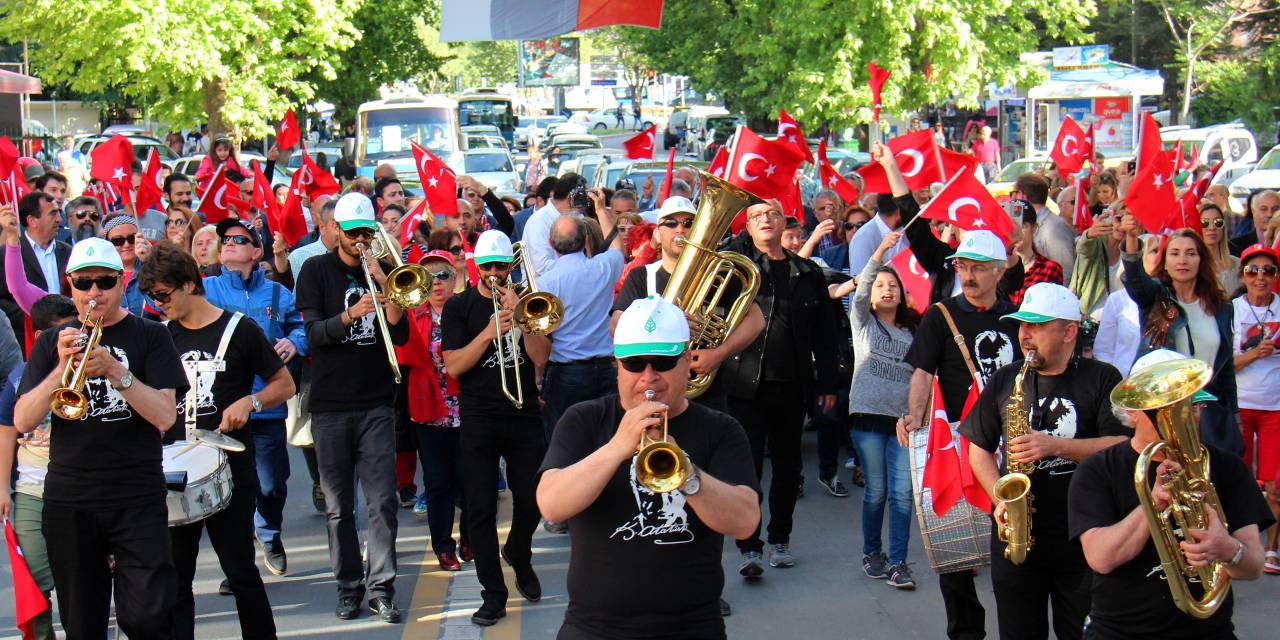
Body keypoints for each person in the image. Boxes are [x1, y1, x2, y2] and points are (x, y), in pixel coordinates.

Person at [536, 295, 760, 640]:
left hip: (692, 626)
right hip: (594, 627)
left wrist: (687, 474)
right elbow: (551, 504)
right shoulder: (584, 419)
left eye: (663, 362)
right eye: (635, 364)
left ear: (687, 360)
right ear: (617, 365)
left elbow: (745, 522)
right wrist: (617, 447)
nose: (649, 377)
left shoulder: (720, 429)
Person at [14, 236, 187, 638]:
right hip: (70, 497)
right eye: (83, 283)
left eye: (105, 282)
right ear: (69, 284)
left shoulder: (151, 335)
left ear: (122, 281)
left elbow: (164, 416)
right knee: (82, 622)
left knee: (147, 616)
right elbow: (22, 418)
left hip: (135, 494)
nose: (94, 292)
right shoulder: (51, 343)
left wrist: (115, 371)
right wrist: (60, 370)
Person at [137, 242, 294, 640]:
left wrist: (251, 401)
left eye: (162, 294)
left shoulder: (240, 329)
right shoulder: (161, 337)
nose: (157, 304)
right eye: (150, 296)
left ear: (189, 284)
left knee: (240, 570)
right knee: (177, 577)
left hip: (229, 467)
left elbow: (285, 383)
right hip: (174, 470)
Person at [959, 282, 1127, 639]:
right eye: (1023, 325)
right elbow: (977, 447)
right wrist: (999, 497)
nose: (1025, 335)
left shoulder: (1103, 378)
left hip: (1084, 534)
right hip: (1019, 536)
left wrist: (1056, 447)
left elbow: (1121, 445)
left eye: (1036, 326)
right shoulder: (1008, 378)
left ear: (1068, 332)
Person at [1068, 350, 1272, 639]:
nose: (1185, 414)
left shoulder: (1227, 468)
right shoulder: (1099, 469)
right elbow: (1101, 558)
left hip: (1208, 632)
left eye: (1190, 403)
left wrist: (1226, 548)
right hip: (1120, 632)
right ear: (1133, 411)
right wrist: (1152, 503)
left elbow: (1253, 565)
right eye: (1163, 407)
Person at [899, 229, 1022, 640]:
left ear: (999, 271)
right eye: (963, 267)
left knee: (1012, 542)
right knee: (952, 546)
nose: (968, 276)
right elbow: (922, 372)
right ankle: (966, 633)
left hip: (1010, 444)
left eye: (978, 268)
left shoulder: (1017, 318)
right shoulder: (941, 315)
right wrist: (914, 417)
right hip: (954, 443)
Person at [294, 192, 409, 622]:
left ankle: (382, 587)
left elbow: (397, 335)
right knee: (341, 506)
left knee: (383, 501)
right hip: (331, 406)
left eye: (367, 232)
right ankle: (348, 586)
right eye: (353, 232)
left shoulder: (384, 270)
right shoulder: (315, 270)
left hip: (377, 402)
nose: (360, 240)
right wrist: (351, 315)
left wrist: (382, 280)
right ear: (336, 231)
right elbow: (312, 334)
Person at [721, 200, 838, 576]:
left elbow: (825, 333)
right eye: (756, 217)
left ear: (784, 222)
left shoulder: (807, 271)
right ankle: (749, 545)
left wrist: (829, 383)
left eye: (771, 215)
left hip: (792, 387)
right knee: (748, 468)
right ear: (749, 228)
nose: (765, 221)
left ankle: (780, 539)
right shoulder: (737, 269)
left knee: (788, 469)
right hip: (744, 385)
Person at [441, 229, 550, 626]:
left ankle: (519, 551)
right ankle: (494, 592)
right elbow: (453, 366)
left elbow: (540, 358)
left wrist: (522, 318)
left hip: (522, 413)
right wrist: (489, 333)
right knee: (480, 509)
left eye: (500, 266)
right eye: (485, 266)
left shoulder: (525, 302)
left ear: (510, 267)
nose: (492, 273)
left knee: (534, 498)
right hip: (480, 417)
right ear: (475, 266)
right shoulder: (459, 308)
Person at [204, 218, 308, 576]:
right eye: (225, 238)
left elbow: (299, 324)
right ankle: (237, 566)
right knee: (227, 491)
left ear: (257, 251)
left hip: (266, 406)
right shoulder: (207, 289)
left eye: (239, 239)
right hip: (221, 409)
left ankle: (269, 533)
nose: (229, 243)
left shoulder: (278, 293)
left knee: (271, 484)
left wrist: (294, 341)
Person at [1121, 226, 1239, 455]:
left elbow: (1226, 369)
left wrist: (1234, 415)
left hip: (1207, 409)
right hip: (1164, 407)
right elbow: (1135, 278)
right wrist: (1131, 237)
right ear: (1164, 262)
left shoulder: (1222, 308)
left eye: (1190, 253)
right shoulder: (1155, 298)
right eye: (1174, 253)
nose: (1182, 260)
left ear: (1201, 260)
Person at [0, 294, 77, 640]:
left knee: (80, 581)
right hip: (32, 490)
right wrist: (3, 488)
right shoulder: (21, 376)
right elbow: (6, 431)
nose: (70, 338)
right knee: (33, 580)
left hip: (81, 488)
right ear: (40, 336)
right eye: (59, 333)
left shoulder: (96, 364)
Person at [848, 231, 919, 589]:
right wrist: (880, 252)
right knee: (877, 490)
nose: (886, 290)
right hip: (866, 419)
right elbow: (860, 291)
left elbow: (923, 378)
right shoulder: (862, 322)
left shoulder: (914, 333)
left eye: (893, 285)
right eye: (880, 285)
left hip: (903, 425)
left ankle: (898, 563)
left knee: (903, 492)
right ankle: (871, 552)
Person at [395, 250, 471, 567]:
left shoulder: (468, 310)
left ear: (456, 279)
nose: (436, 283)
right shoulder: (414, 315)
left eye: (443, 275)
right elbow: (402, 352)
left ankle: (471, 537)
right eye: (428, 277)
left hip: (467, 408)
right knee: (438, 481)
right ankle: (442, 545)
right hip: (429, 409)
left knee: (470, 479)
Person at [1230, 243, 1280, 571]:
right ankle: (1239, 546)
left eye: (1268, 271)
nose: (1260, 277)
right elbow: (1222, 365)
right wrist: (1253, 355)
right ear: (1243, 275)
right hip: (1241, 405)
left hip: (1275, 407)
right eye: (1252, 270)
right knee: (1239, 481)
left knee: (1275, 484)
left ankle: (1272, 549)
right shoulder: (1231, 309)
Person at [1, 193, 70, 345]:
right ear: (32, 220)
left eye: (59, 212)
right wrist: (34, 317)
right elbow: (13, 291)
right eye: (52, 213)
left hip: (70, 333)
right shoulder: (7, 253)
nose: (59, 219)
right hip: (29, 339)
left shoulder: (70, 252)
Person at [1093, 233, 1161, 375]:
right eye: (1154, 250)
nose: (1160, 256)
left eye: (1164, 251)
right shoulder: (1117, 300)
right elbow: (1103, 351)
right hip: (1123, 382)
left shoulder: (1171, 297)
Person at [1012, 173, 1076, 280]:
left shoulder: (1054, 228)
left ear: (1022, 196)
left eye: (1013, 193)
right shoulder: (1042, 223)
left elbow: (1066, 272)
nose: (1011, 199)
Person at [522, 173, 586, 277]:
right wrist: (579, 268)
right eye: (582, 198)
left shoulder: (579, 217)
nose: (584, 205)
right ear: (570, 198)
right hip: (544, 289)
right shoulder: (539, 221)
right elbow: (541, 266)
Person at [1007, 199, 1064, 306]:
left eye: (1022, 226)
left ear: (1034, 228)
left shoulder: (1050, 269)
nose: (1015, 232)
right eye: (1009, 226)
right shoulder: (996, 269)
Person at [103, 215, 149, 316]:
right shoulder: (101, 275)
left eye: (132, 238)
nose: (127, 244)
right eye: (118, 241)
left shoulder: (151, 269)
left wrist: (148, 263)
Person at [1199, 202, 1241, 296]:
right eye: (1204, 223)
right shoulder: (1192, 266)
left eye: (1218, 222)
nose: (1212, 228)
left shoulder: (1239, 264)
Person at [1230, 189, 1279, 255]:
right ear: (1253, 211)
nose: (1269, 214)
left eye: (1275, 209)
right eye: (1263, 209)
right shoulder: (1234, 246)